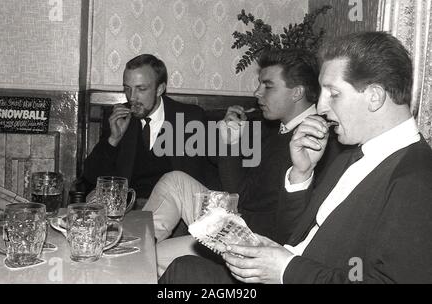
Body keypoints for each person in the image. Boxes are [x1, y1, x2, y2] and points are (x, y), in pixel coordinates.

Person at [161, 31, 432, 284]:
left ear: (374, 97)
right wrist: (301, 175)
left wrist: (286, 268)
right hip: (288, 268)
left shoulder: (417, 178)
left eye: (334, 94)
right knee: (182, 268)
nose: (322, 107)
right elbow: (295, 233)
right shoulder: (350, 155)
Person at [142, 48, 340, 276]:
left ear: (296, 93)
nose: (257, 92)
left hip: (253, 239)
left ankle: (137, 258)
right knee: (174, 180)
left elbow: (243, 197)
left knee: (154, 257)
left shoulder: (311, 141)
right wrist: (229, 141)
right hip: (240, 215)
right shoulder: (276, 127)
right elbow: (235, 182)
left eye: (268, 86)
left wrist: (230, 147)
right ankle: (138, 245)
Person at [81, 54, 209, 200]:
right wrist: (113, 140)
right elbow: (91, 176)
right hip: (130, 208)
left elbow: (199, 178)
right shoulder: (119, 117)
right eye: (127, 89)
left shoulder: (189, 118)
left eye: (141, 89)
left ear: (160, 89)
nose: (132, 97)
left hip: (175, 207)